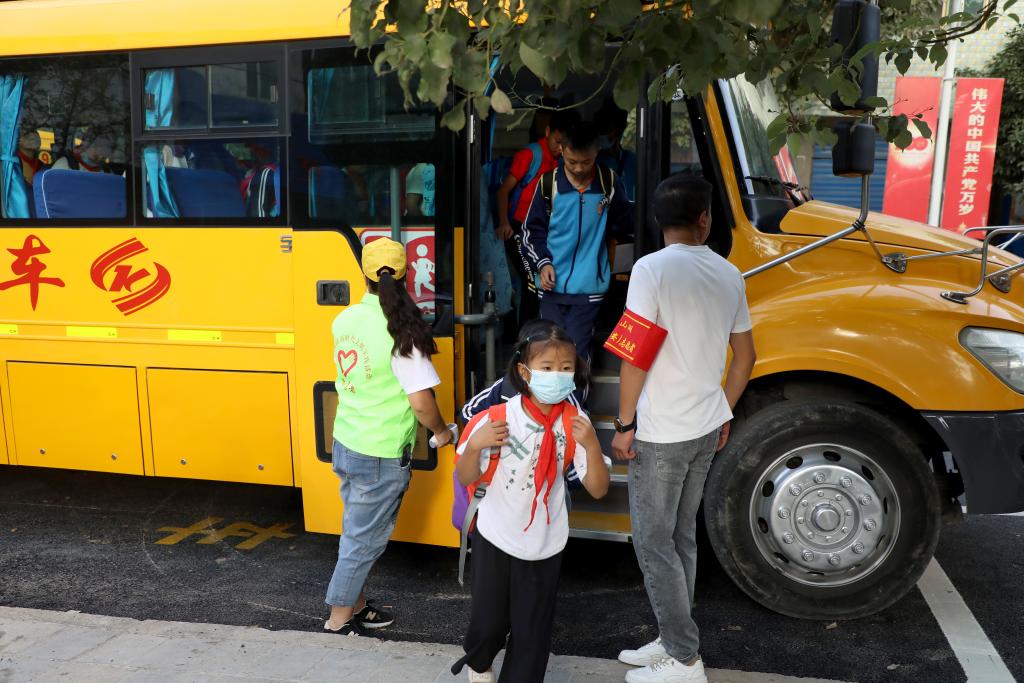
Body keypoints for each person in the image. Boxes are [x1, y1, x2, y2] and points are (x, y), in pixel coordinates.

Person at [611, 175, 756, 683]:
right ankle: (671, 636)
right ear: (704, 219)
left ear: (658, 221)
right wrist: (724, 410)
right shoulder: (730, 273)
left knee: (654, 544)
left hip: (661, 432)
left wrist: (624, 423)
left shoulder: (650, 269)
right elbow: (745, 358)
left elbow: (635, 355)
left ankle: (683, 658)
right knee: (680, 539)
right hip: (703, 427)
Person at [451, 324, 611, 683]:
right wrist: (475, 445)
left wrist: (592, 446)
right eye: (547, 367)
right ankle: (480, 663)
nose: (558, 375)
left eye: (566, 368)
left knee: (532, 634)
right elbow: (465, 475)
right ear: (525, 372)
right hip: (496, 536)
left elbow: (599, 489)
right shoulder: (497, 418)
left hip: (545, 542)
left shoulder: (576, 423)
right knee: (488, 623)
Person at [324, 237, 455, 635]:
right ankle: (338, 619)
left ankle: (356, 604)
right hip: (379, 454)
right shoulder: (403, 332)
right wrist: (442, 431)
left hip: (347, 442)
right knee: (362, 542)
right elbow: (422, 404)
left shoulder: (345, 319)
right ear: (406, 275)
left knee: (355, 532)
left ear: (363, 273)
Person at [521, 121, 634, 362]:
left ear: (597, 152)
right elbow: (531, 232)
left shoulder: (608, 182)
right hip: (550, 288)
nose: (580, 168)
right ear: (561, 150)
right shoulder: (548, 184)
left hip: (589, 289)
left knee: (576, 355)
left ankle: (577, 390)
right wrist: (542, 263)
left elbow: (626, 221)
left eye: (586, 162)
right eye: (572, 162)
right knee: (548, 354)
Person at [495, 109, 577, 325]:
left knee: (543, 281)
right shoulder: (530, 155)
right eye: (557, 142)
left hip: (543, 232)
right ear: (547, 132)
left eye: (564, 144)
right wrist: (504, 223)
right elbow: (503, 191)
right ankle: (526, 333)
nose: (560, 149)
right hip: (518, 228)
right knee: (531, 281)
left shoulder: (565, 160)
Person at [595, 99, 637, 202]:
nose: (603, 134)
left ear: (619, 130)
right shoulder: (593, 161)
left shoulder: (633, 160)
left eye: (608, 130)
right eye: (601, 130)